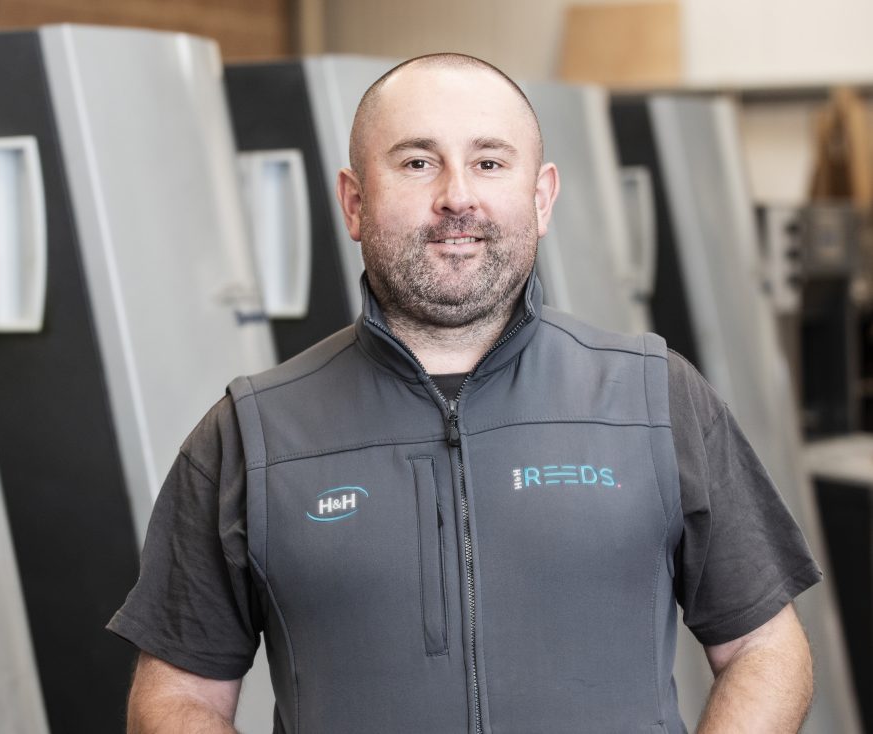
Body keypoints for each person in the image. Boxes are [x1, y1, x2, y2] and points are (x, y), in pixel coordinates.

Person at [108, 53, 820, 733]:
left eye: (488, 162)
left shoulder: (653, 398)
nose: (457, 196)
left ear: (540, 198)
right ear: (355, 202)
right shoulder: (250, 434)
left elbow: (765, 649)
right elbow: (176, 695)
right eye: (417, 163)